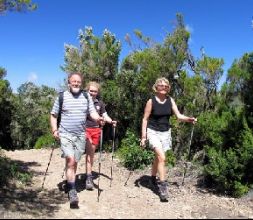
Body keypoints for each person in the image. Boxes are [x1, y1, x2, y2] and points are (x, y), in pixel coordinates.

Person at [50, 73, 103, 208]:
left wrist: (98, 119)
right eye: (73, 81)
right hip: (65, 134)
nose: (76, 83)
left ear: (81, 83)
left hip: (80, 135)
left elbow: (92, 112)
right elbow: (53, 115)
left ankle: (69, 180)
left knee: (74, 163)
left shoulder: (86, 97)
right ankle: (72, 190)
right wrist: (55, 130)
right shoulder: (62, 97)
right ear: (69, 82)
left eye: (78, 82)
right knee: (71, 160)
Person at [140, 77, 197, 201]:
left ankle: (152, 178)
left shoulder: (170, 100)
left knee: (158, 158)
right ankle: (163, 188)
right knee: (162, 158)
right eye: (161, 85)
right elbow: (145, 119)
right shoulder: (151, 101)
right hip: (153, 131)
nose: (164, 87)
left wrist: (189, 119)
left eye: (166, 86)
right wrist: (143, 137)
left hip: (166, 133)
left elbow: (178, 116)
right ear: (156, 87)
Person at [85, 81, 117, 190]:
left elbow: (105, 115)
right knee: (83, 153)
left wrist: (111, 121)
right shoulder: (82, 102)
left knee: (91, 154)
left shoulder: (100, 104)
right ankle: (72, 172)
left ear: (97, 92)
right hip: (83, 130)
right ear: (87, 90)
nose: (93, 93)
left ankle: (88, 177)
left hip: (95, 130)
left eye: (95, 91)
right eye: (91, 91)